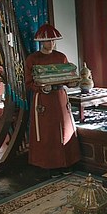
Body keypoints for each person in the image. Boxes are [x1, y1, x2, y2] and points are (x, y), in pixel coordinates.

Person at [24, 23, 81, 177]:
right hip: (43, 99)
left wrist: (72, 83)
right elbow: (28, 83)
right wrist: (41, 88)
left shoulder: (60, 57)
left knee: (65, 128)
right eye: (48, 41)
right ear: (41, 42)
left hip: (60, 97)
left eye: (53, 40)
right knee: (48, 132)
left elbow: (67, 77)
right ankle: (50, 165)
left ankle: (67, 162)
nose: (51, 44)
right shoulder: (33, 59)